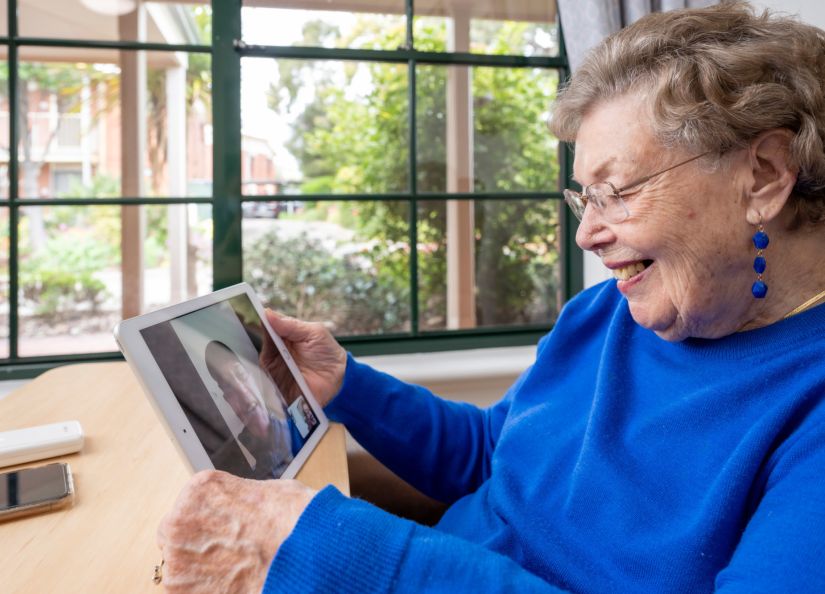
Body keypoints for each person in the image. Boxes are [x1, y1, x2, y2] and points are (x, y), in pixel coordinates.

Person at [156, 3, 825, 592]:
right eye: (581, 198)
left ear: (761, 176)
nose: (587, 234)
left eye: (615, 191)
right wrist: (347, 386)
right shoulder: (604, 315)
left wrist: (332, 557)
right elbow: (493, 457)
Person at [203, 340, 302, 479]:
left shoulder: (294, 420)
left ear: (254, 379)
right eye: (228, 386)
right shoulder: (230, 463)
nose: (243, 392)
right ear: (227, 400)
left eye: (242, 376)